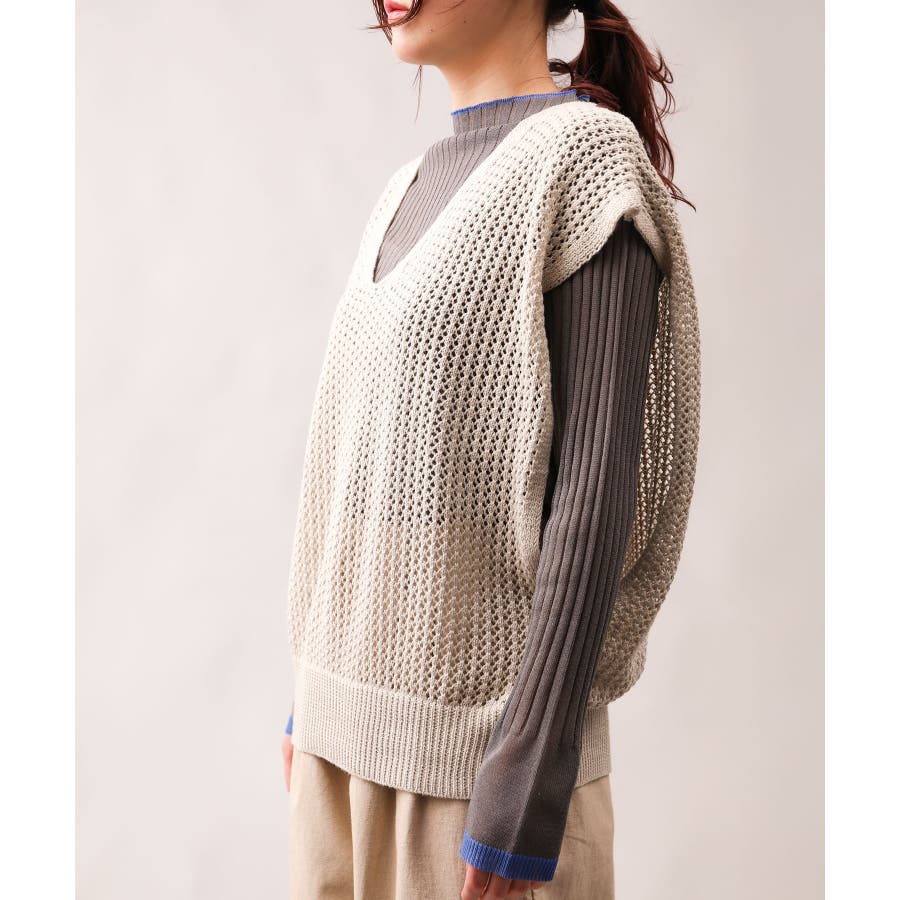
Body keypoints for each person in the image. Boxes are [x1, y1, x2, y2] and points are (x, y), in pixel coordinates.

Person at [281, 2, 701, 898]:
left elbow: (594, 491)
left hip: (477, 782)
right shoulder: (408, 185)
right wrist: (310, 699)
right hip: (336, 750)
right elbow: (369, 471)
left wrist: (527, 781)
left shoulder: (583, 157)